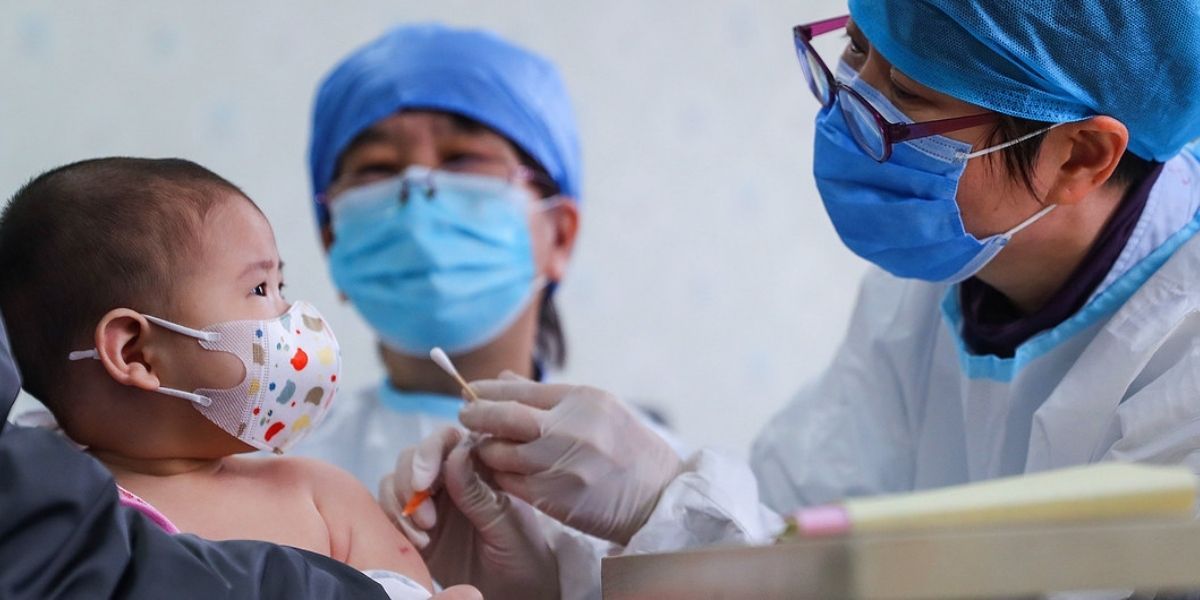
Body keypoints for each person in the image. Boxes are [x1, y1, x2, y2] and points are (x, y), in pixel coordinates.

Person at [381, 1, 1200, 598]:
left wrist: (669, 503)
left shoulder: (1183, 362)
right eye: (854, 57)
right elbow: (794, 535)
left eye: (905, 102)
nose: (850, 115)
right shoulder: (922, 302)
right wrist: (559, 567)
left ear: (1080, 155)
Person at [0, 157, 451, 599]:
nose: (293, 317)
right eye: (259, 289)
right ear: (136, 352)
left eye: (281, 287)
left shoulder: (322, 497)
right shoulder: (63, 523)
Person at [294, 22, 583, 490]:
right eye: (376, 168)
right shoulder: (278, 480)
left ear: (560, 236)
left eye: (463, 157)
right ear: (333, 243)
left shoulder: (649, 485)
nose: (418, 197)